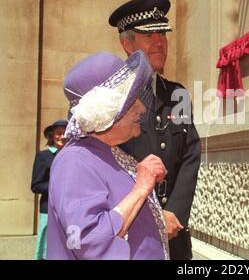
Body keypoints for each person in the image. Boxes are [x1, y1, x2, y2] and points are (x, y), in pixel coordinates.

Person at [47, 50, 169, 260]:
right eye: (131, 102)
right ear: (106, 113)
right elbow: (87, 242)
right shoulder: (74, 161)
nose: (141, 107)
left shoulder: (108, 152)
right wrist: (141, 188)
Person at [108, 0, 201, 260]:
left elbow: (190, 154)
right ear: (127, 44)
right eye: (150, 35)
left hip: (174, 237)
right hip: (131, 235)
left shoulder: (177, 95)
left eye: (163, 34)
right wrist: (154, 216)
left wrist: (174, 212)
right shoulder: (111, 98)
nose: (160, 42)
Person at [31, 120, 68, 259]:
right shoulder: (43, 156)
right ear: (51, 136)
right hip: (49, 209)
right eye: (58, 133)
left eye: (65, 133)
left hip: (69, 209)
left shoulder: (75, 154)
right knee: (47, 248)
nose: (62, 136)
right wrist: (58, 187)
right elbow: (36, 185)